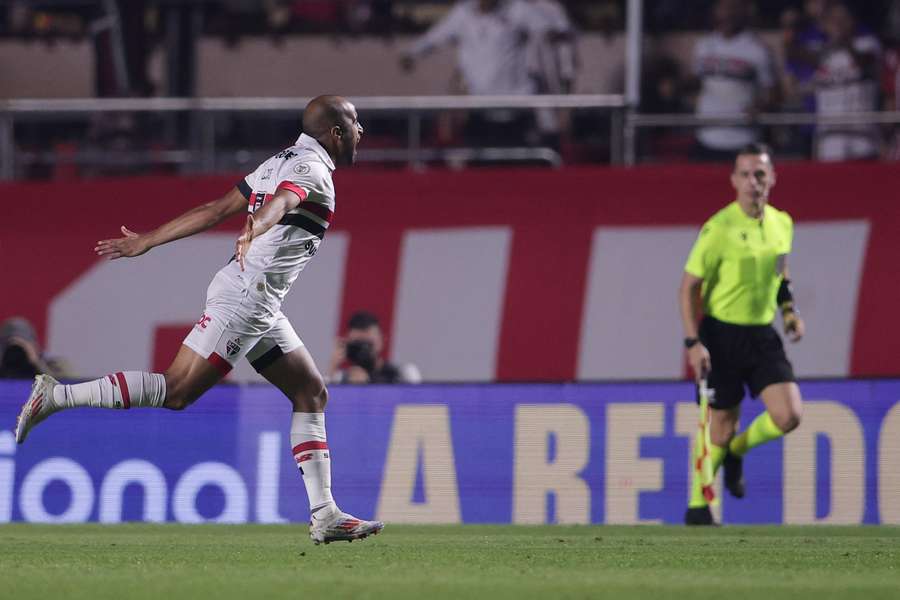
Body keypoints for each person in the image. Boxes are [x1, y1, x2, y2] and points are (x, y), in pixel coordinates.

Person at [14, 95, 384, 544]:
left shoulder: (279, 160)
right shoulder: (313, 170)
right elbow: (285, 203)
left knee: (310, 390)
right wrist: (257, 226)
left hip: (258, 302)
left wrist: (149, 239)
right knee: (175, 391)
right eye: (356, 122)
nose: (362, 130)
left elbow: (213, 208)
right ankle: (55, 396)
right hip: (246, 301)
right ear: (337, 134)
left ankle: (325, 514)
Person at [679, 143, 806, 526]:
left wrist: (788, 311)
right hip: (721, 336)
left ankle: (736, 451)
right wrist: (693, 342)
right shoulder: (718, 229)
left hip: (761, 333)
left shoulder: (782, 223)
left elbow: (779, 273)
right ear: (734, 180)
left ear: (772, 179)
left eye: (760, 174)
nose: (754, 182)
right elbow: (687, 288)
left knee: (789, 415)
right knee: (719, 426)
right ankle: (698, 506)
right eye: (746, 174)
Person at [400, 0, 540, 146]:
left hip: (514, 103)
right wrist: (412, 53)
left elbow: (549, 28)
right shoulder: (463, 14)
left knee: (517, 161)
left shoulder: (516, 9)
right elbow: (435, 37)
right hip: (479, 103)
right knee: (479, 161)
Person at [691, 0, 777, 161]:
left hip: (743, 139)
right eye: (723, 7)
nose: (728, 13)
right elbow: (696, 82)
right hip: (706, 136)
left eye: (734, 8)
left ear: (744, 11)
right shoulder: (704, 45)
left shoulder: (757, 49)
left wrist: (759, 107)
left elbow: (773, 92)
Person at [813, 2, 882, 161]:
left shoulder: (868, 44)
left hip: (863, 139)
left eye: (843, 19)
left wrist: (843, 40)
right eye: (833, 20)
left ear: (853, 20)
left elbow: (865, 62)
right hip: (829, 141)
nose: (838, 24)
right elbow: (795, 52)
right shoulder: (822, 52)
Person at [327, 311, 421, 384]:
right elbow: (320, 404)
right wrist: (332, 369)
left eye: (368, 344)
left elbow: (416, 403)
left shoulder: (404, 374)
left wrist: (370, 385)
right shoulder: (340, 378)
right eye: (358, 344)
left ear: (382, 340)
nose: (363, 350)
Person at [0, 317, 73, 380]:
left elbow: (67, 387)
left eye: (23, 343)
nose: (16, 350)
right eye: (8, 344)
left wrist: (37, 363)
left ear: (35, 345)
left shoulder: (56, 365)